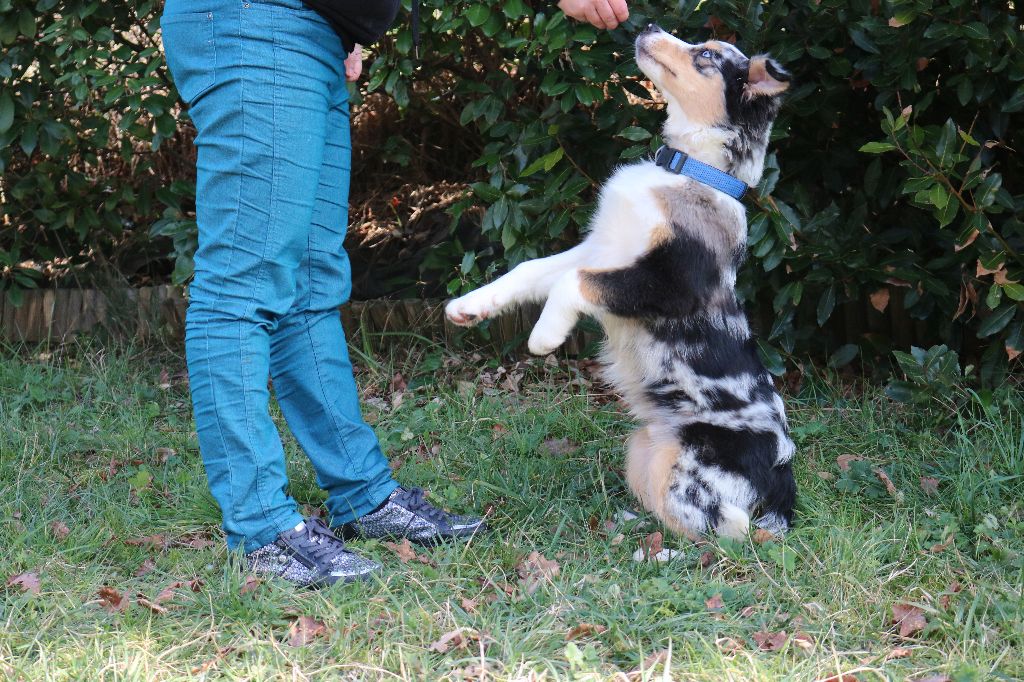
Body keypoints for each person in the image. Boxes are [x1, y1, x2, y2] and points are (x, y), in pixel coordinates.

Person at [159, 0, 629, 588]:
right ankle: (261, 529)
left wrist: (345, 22)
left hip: (308, 29)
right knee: (243, 283)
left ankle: (362, 495)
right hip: (254, 21)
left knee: (308, 286)